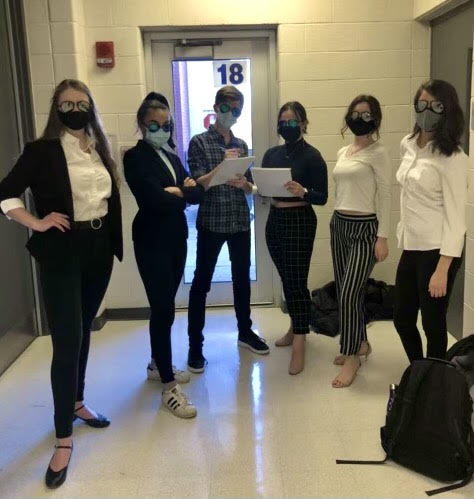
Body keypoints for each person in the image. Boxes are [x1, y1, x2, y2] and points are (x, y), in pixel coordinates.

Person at [0, 79, 122, 488]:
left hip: (99, 249)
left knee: (83, 330)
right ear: (56, 108)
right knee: (67, 340)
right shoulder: (42, 151)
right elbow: (5, 193)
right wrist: (35, 222)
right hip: (62, 252)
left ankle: (77, 402)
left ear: (91, 107)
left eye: (81, 102)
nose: (75, 109)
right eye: (66, 103)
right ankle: (63, 438)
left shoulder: (100, 146)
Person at [124, 93, 204, 418]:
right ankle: (169, 388)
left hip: (176, 238)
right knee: (161, 308)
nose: (161, 129)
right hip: (151, 240)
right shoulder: (135, 158)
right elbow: (153, 201)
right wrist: (180, 194)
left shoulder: (170, 155)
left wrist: (180, 192)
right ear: (143, 125)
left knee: (167, 305)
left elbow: (196, 191)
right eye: (154, 124)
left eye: (166, 124)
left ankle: (157, 363)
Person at [186, 85, 269, 373]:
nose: (230, 114)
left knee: (241, 280)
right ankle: (195, 347)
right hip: (211, 222)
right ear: (215, 107)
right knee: (201, 285)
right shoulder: (198, 142)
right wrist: (222, 168)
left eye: (236, 110)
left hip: (238, 221)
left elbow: (248, 186)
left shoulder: (242, 144)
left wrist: (246, 184)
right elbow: (198, 183)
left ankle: (245, 333)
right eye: (225, 108)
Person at [394, 79, 468, 362]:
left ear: (447, 110)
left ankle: (434, 385)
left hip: (438, 252)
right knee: (402, 318)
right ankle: (419, 370)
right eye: (421, 104)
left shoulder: (454, 158)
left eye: (435, 106)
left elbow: (456, 218)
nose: (427, 110)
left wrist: (442, 269)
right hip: (412, 246)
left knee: (433, 325)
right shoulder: (408, 144)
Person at [262, 101, 328, 375]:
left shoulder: (312, 156)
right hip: (274, 220)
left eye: (291, 122)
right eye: (282, 121)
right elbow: (265, 187)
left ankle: (300, 341)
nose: (285, 126)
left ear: (303, 124)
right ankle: (294, 326)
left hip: (299, 220)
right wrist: (251, 186)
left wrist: (303, 191)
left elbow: (322, 197)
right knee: (286, 277)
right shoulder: (271, 154)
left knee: (296, 280)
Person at [330, 95, 391, 388]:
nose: (359, 118)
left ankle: (351, 355)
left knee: (349, 293)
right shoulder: (344, 151)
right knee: (344, 289)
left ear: (375, 119)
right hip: (339, 225)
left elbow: (387, 196)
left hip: (366, 229)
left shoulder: (379, 152)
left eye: (366, 115)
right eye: (355, 113)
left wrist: (383, 236)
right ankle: (361, 343)